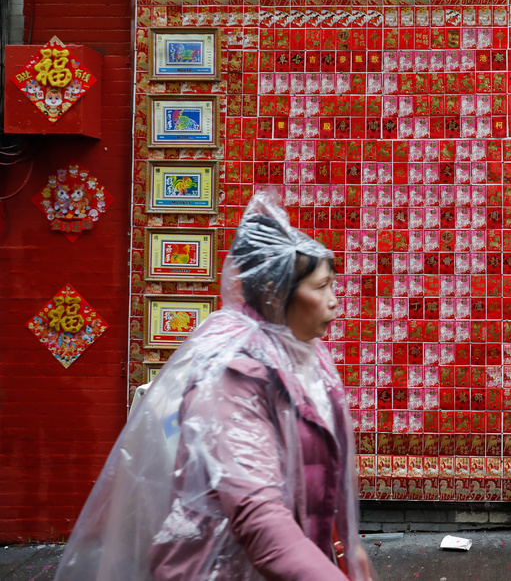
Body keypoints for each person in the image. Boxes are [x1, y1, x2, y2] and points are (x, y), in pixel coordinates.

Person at [56, 192, 375, 581]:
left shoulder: (302, 354)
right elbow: (258, 516)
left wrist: (346, 550)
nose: (335, 301)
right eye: (322, 287)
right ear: (277, 294)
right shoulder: (230, 377)